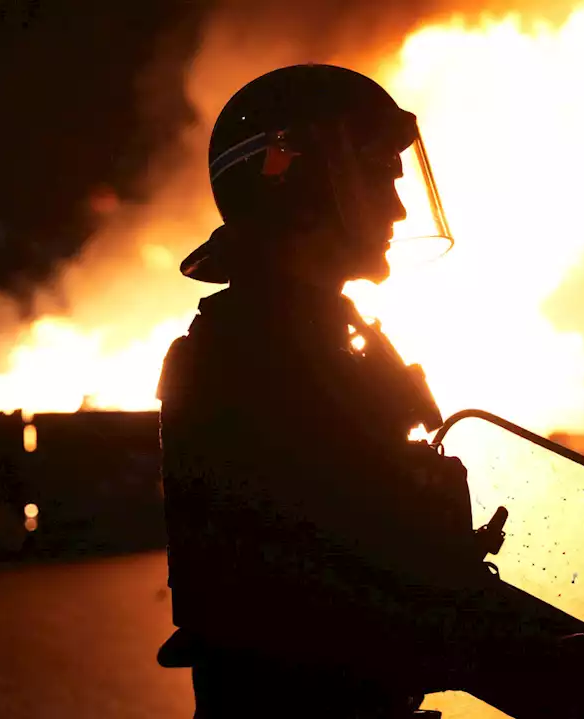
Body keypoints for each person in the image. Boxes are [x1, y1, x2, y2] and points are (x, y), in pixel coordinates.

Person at [154, 64, 492, 718]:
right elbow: (321, 595)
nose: (396, 208)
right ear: (304, 182)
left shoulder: (311, 341)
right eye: (377, 178)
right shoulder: (258, 361)